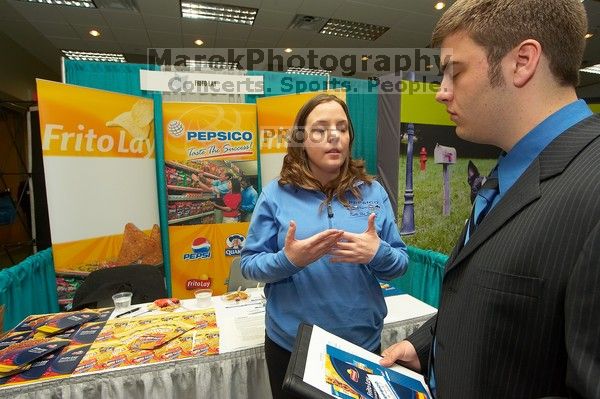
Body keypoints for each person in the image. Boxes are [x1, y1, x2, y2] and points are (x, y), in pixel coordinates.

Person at [380, 1, 600, 398]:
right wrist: (425, 345)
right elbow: (502, 314)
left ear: (523, 61)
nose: (441, 93)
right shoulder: (507, 171)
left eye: (454, 72)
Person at [241, 94, 409, 398]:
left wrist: (377, 253)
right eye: (320, 129)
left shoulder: (373, 192)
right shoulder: (275, 195)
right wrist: (289, 260)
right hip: (292, 347)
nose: (334, 137)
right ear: (301, 139)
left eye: (342, 128)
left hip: (363, 345)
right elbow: (250, 264)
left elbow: (399, 263)